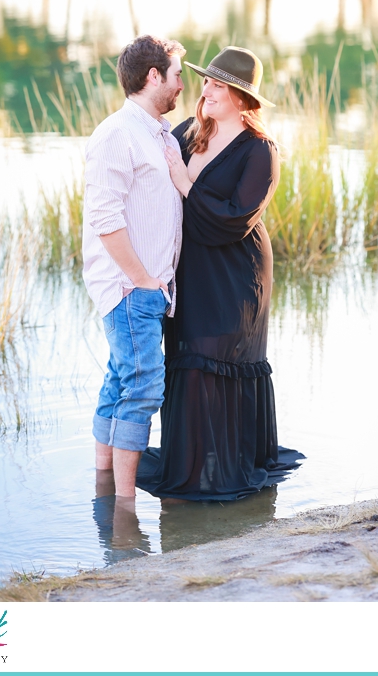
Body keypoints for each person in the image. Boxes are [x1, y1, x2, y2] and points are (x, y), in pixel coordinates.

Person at [137, 46, 304, 501]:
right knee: (187, 360)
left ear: (241, 98)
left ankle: (226, 466)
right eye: (206, 81)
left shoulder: (260, 151)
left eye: (217, 84)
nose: (206, 89)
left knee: (219, 358)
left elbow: (235, 219)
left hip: (236, 271)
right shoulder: (189, 131)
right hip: (189, 266)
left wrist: (186, 183)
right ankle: (191, 466)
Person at [84, 35, 185, 521]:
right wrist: (143, 280)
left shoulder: (159, 133)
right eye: (177, 73)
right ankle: (125, 511)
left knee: (120, 381)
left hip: (146, 288)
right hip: (129, 288)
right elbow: (104, 218)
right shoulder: (117, 133)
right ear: (153, 77)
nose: (182, 83)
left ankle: (104, 485)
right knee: (143, 387)